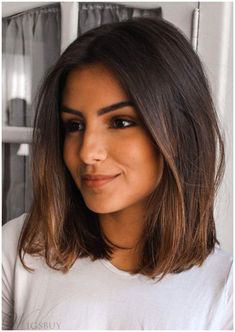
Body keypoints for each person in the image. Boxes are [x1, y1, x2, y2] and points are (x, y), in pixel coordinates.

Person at [2, 17, 232, 330]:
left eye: (120, 122)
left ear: (180, 131)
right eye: (74, 125)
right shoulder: (19, 249)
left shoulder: (224, 294)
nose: (87, 152)